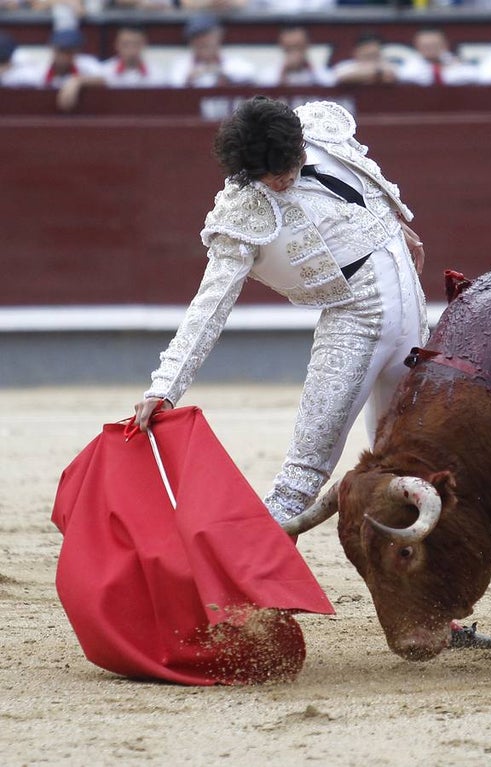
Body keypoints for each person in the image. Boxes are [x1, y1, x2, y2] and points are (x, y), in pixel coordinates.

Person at [134, 96, 425, 526]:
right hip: (354, 323)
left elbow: (366, 185)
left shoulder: (323, 131)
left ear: (298, 145)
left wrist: (397, 223)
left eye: (282, 170)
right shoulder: (244, 207)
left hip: (412, 304)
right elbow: (210, 303)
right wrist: (165, 387)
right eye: (264, 176)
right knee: (302, 474)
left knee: (412, 452)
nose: (276, 183)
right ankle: (251, 573)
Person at [56, 25, 166, 112]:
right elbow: (98, 78)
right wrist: (76, 81)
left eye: (136, 44)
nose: (131, 50)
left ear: (144, 44)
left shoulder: (157, 73)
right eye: (126, 44)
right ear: (117, 45)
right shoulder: (106, 69)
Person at [168, 13, 256, 88]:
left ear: (219, 35)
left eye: (207, 35)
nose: (202, 40)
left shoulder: (235, 62)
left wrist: (223, 75)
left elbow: (250, 77)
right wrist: (190, 79)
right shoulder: (181, 65)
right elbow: (173, 86)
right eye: (196, 36)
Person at [395, 28, 480, 87]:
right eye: (426, 46)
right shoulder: (410, 67)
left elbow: (476, 75)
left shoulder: (457, 62)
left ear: (445, 45)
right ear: (417, 47)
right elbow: (408, 77)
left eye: (434, 45)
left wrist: (452, 68)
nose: (430, 50)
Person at [256, 25, 335, 87]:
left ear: (307, 44)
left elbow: (329, 85)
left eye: (298, 47)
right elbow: (266, 96)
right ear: (282, 46)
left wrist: (310, 69)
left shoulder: (321, 72)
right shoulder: (269, 74)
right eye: (289, 48)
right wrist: (283, 72)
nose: (294, 53)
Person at [34, 28, 102, 90]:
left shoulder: (86, 63)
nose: (63, 56)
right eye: (61, 50)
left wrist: (77, 81)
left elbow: (106, 79)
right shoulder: (39, 68)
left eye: (69, 52)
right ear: (52, 49)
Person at [331, 31, 397, 86]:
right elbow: (342, 77)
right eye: (368, 56)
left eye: (374, 55)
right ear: (356, 52)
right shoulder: (345, 66)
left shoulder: (389, 66)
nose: (371, 59)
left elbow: (390, 78)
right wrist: (377, 73)